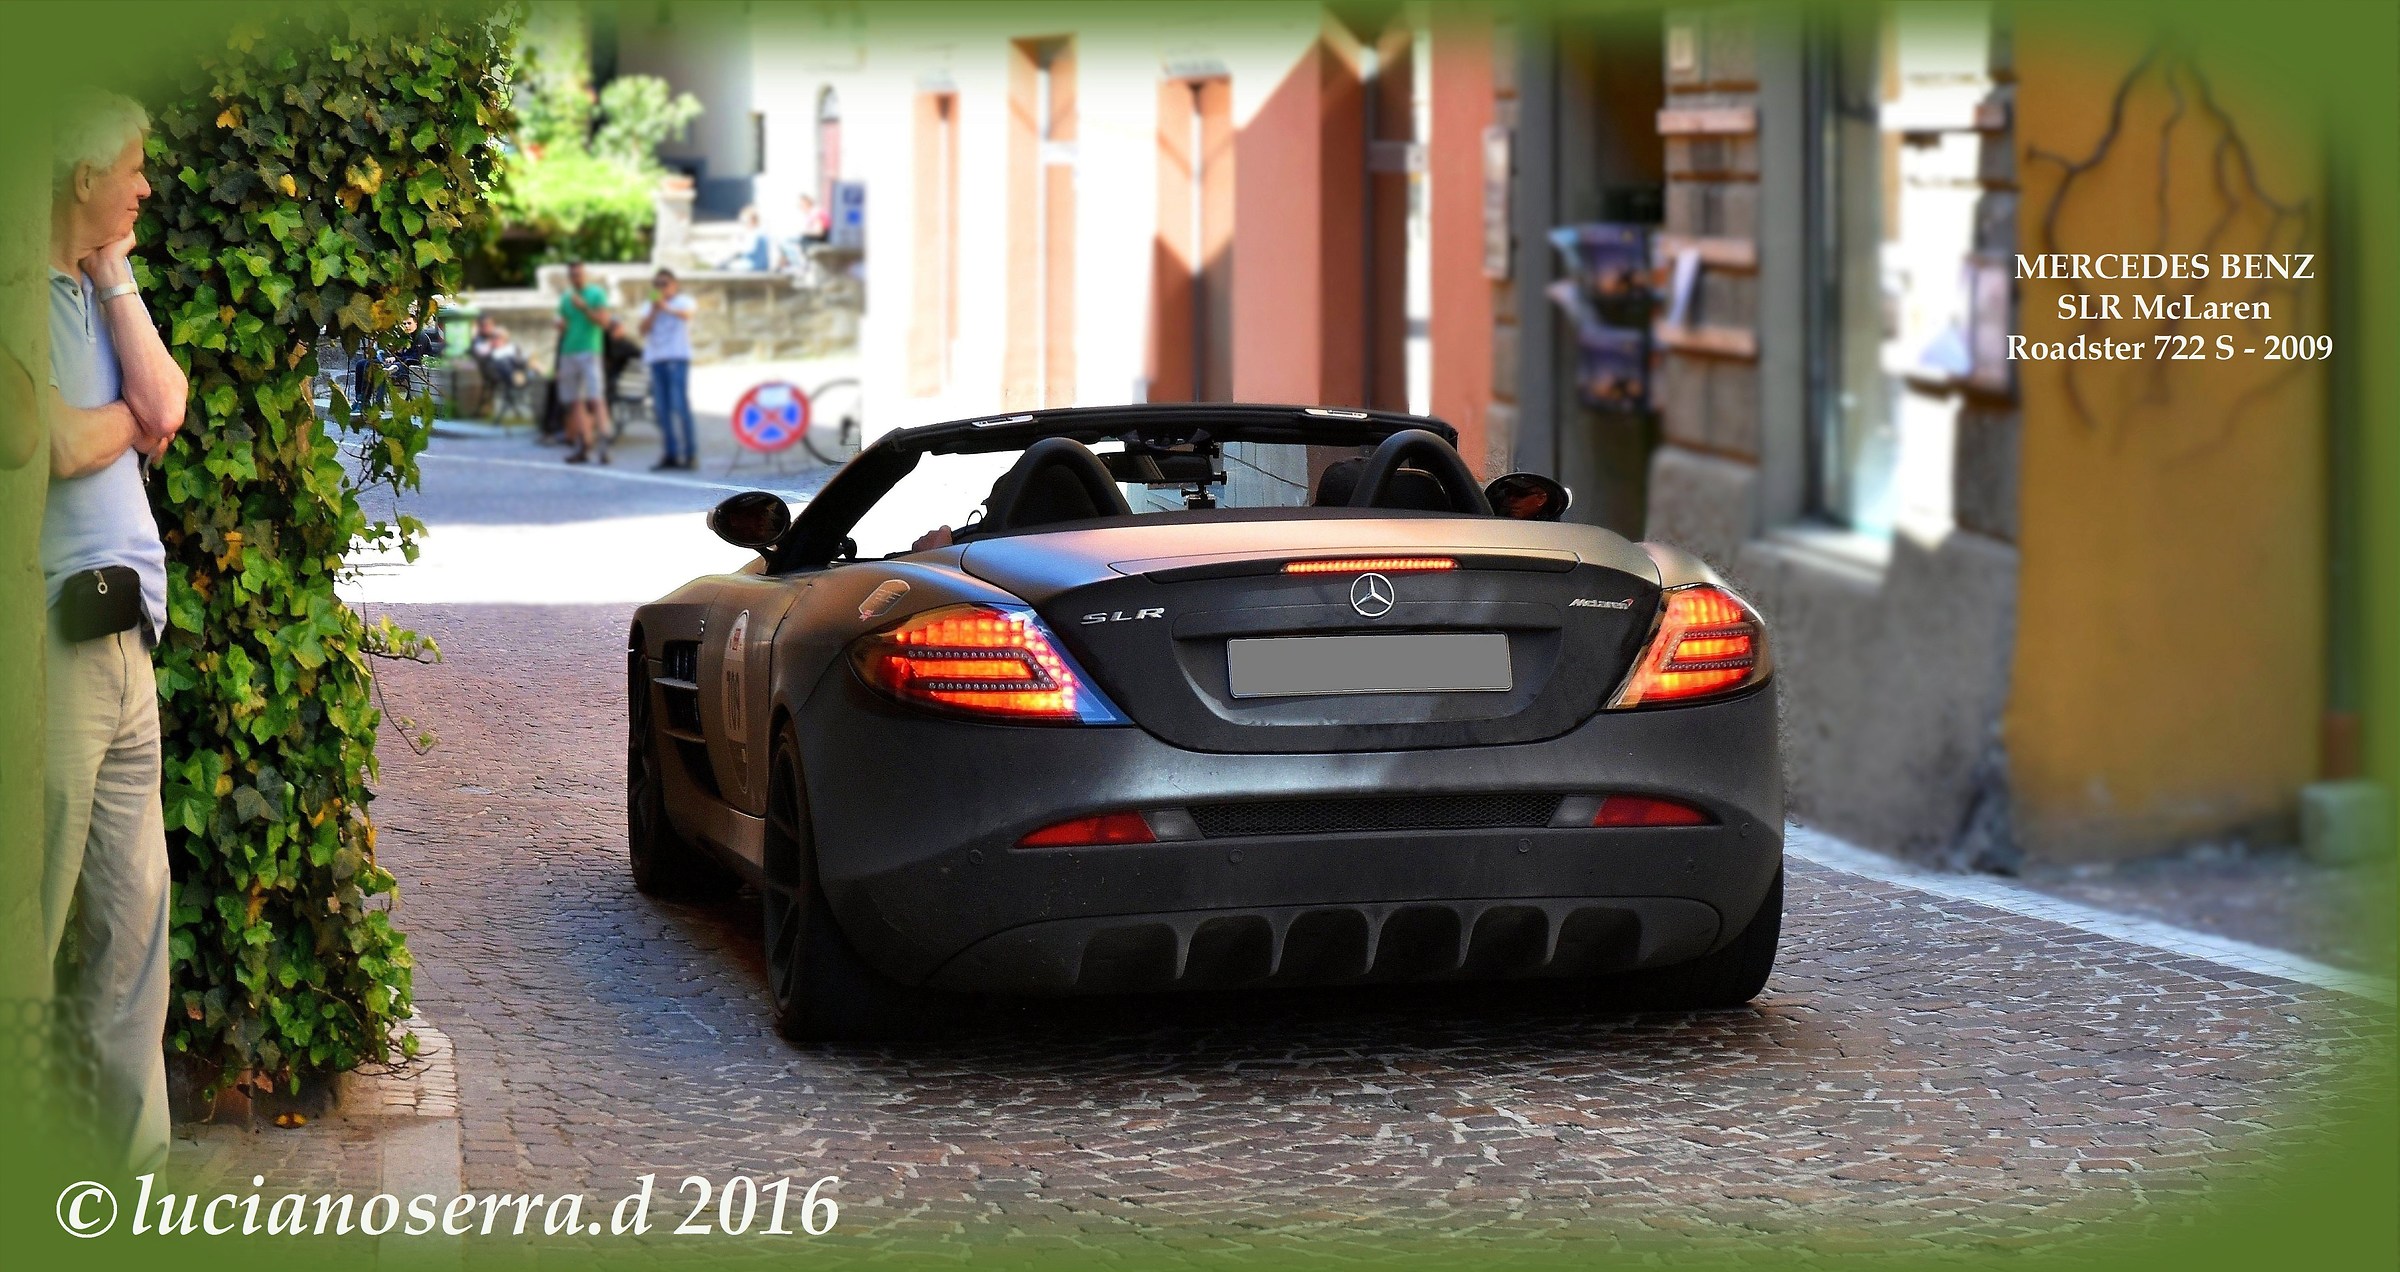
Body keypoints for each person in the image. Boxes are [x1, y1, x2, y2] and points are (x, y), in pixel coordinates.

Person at [43, 89, 186, 1174]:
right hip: (49, 652)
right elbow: (42, 442)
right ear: (82, 173)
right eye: (132, 169)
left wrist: (116, 272)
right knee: (31, 930)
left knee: (132, 938)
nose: (145, 186)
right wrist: (122, 426)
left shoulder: (94, 290)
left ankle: (126, 1183)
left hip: (124, 637)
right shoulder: (17, 296)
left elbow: (164, 407)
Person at [639, 269, 698, 470]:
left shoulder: (683, 301)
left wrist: (665, 307)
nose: (661, 287)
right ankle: (670, 453)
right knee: (662, 410)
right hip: (657, 360)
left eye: (665, 283)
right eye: (657, 284)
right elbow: (642, 330)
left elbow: (687, 315)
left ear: (674, 284)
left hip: (676, 358)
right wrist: (655, 310)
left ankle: (690, 454)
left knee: (679, 406)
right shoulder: (649, 306)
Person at [555, 261, 612, 464]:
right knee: (574, 401)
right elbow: (562, 325)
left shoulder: (596, 294)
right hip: (569, 351)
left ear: (584, 275)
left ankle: (604, 443)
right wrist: (560, 325)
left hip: (590, 351)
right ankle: (584, 444)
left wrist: (585, 308)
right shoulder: (566, 298)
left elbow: (605, 322)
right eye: (573, 275)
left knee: (596, 397)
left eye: (579, 274)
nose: (576, 278)